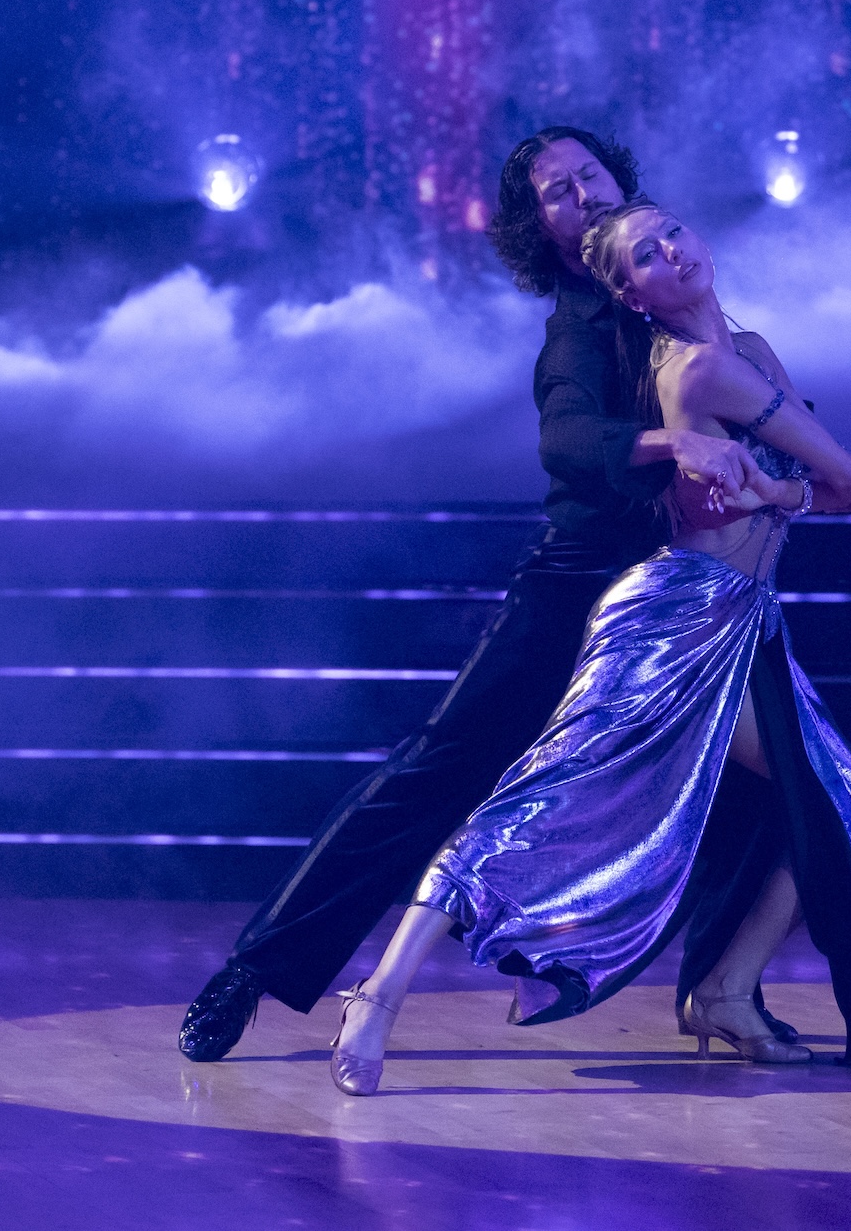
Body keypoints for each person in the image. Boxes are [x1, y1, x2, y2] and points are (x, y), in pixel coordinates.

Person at [324, 199, 851, 1095]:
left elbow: (808, 484)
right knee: (541, 804)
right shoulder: (701, 371)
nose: (672, 252)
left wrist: (798, 491)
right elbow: (840, 477)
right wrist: (830, 487)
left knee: (830, 802)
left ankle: (728, 990)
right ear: (633, 293)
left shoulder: (752, 348)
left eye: (674, 233)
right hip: (672, 620)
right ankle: (378, 997)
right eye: (646, 256)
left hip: (742, 619)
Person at [179, 129, 775, 1062]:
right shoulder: (579, 326)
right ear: (541, 228)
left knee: (776, 779)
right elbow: (570, 440)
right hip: (582, 586)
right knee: (438, 770)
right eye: (558, 193)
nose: (581, 195)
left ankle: (722, 990)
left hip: (694, 596)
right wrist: (675, 446)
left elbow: (763, 399)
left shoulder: (677, 276)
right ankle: (256, 968)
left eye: (590, 177)